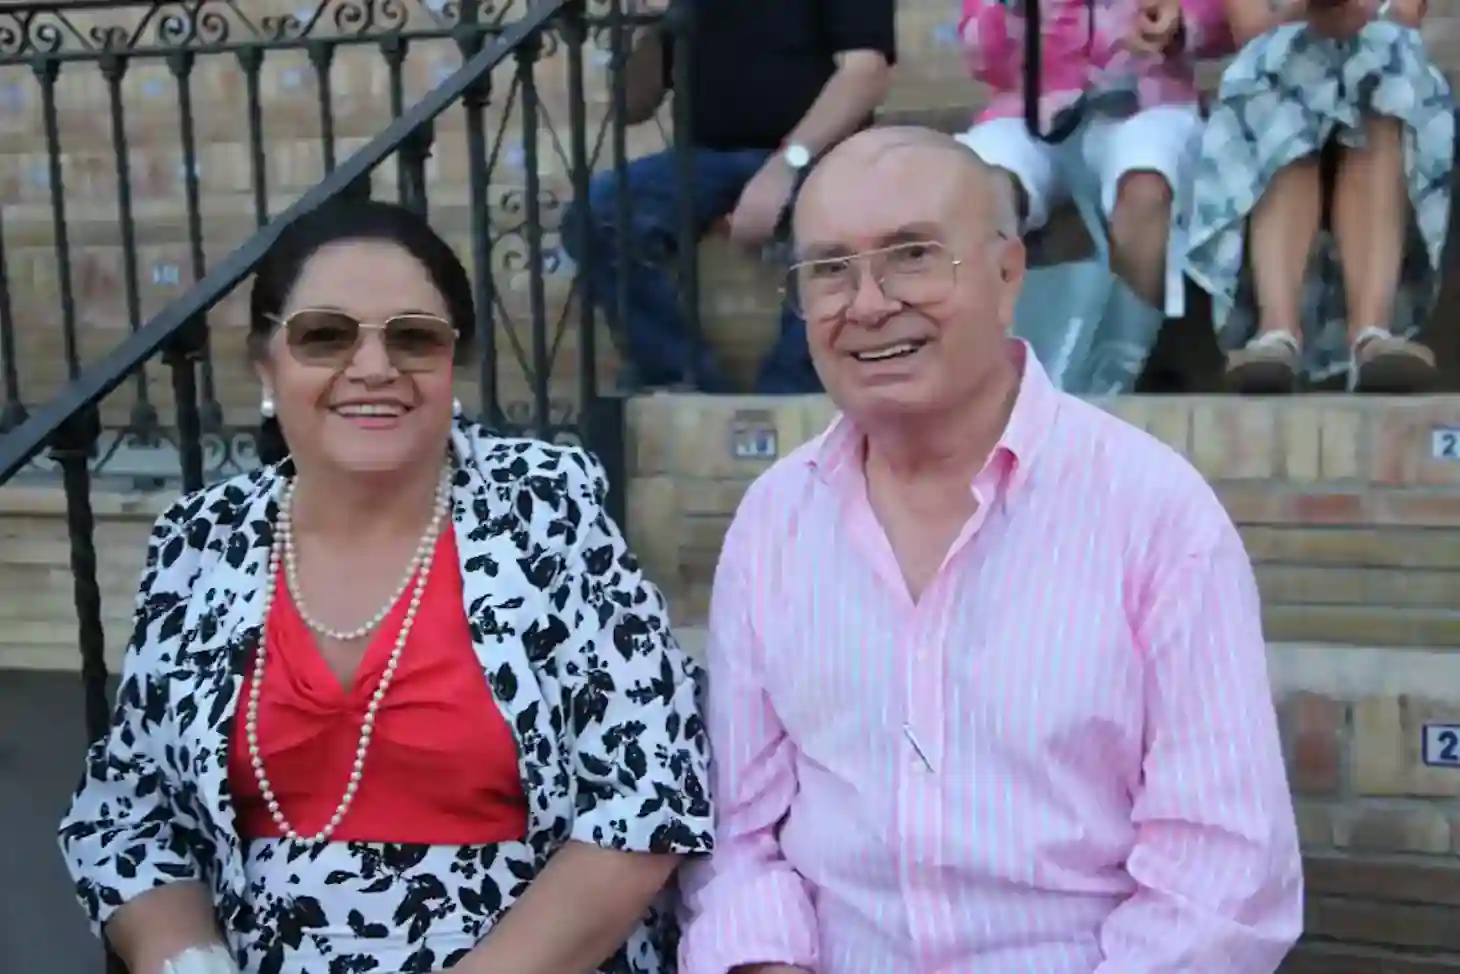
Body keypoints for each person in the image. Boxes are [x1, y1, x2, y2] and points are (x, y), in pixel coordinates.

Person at [678, 127, 1303, 973]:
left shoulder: (1154, 514)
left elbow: (1222, 877)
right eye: (829, 268)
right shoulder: (773, 523)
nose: (866, 303)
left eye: (912, 255)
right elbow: (739, 836)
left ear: (1010, 275)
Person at [57, 200, 713, 974]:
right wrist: (187, 959)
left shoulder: (548, 508)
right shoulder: (202, 540)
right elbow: (130, 815)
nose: (373, 368)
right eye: (325, 336)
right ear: (266, 363)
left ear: (451, 364)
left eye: (413, 337)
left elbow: (649, 794)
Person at [560, 0, 896, 395]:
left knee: (841, 224)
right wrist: (652, 25)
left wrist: (785, 165)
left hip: (819, 152)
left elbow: (865, 74)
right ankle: (683, 377)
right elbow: (632, 106)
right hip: (704, 160)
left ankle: (789, 394)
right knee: (595, 216)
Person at [1186, 0, 1453, 393]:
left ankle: (1370, 332)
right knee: (1283, 72)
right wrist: (1304, 8)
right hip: (1281, 62)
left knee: (1388, 62)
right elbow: (1250, 28)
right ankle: (1277, 333)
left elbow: (1406, 13)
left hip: (1375, 57)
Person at [955, 0, 1233, 310]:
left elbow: (1232, 21)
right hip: (1028, 112)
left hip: (1148, 103)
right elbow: (981, 59)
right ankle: (983, 344)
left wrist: (1181, 21)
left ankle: (1135, 344)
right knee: (976, 187)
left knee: (1146, 183)